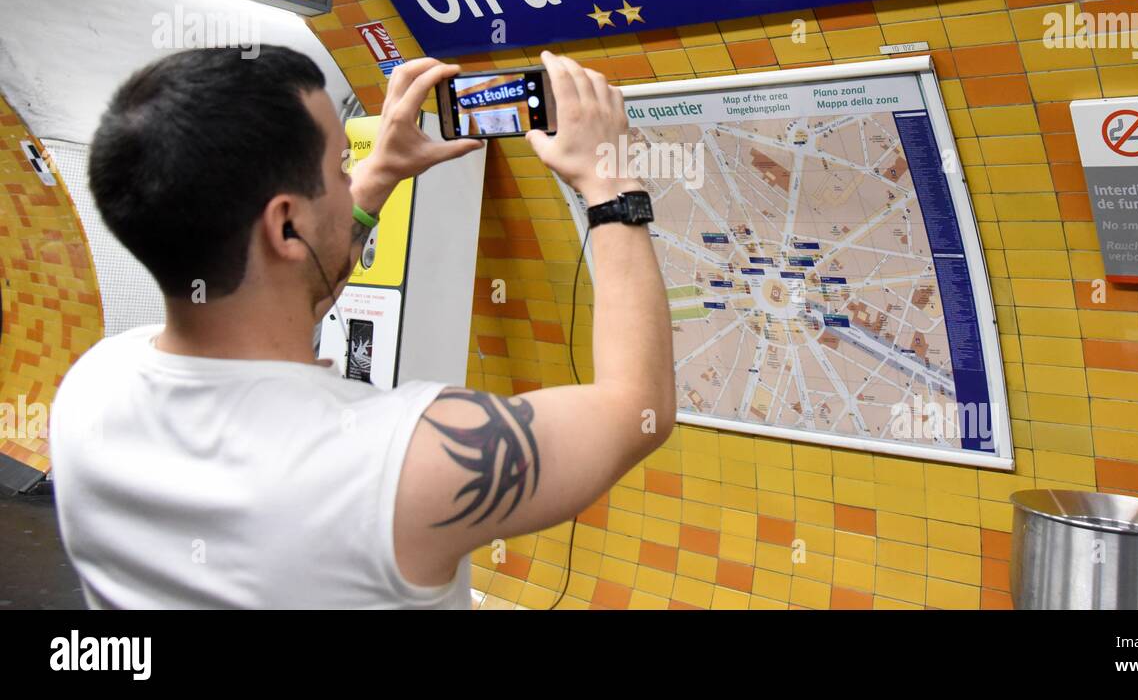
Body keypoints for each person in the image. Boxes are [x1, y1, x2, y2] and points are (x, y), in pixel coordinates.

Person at [49, 45, 674, 608]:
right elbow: (636, 409)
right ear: (285, 224)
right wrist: (609, 184)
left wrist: (381, 173)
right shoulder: (405, 459)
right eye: (341, 168)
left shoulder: (90, 387)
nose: (355, 177)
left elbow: (277, 302)